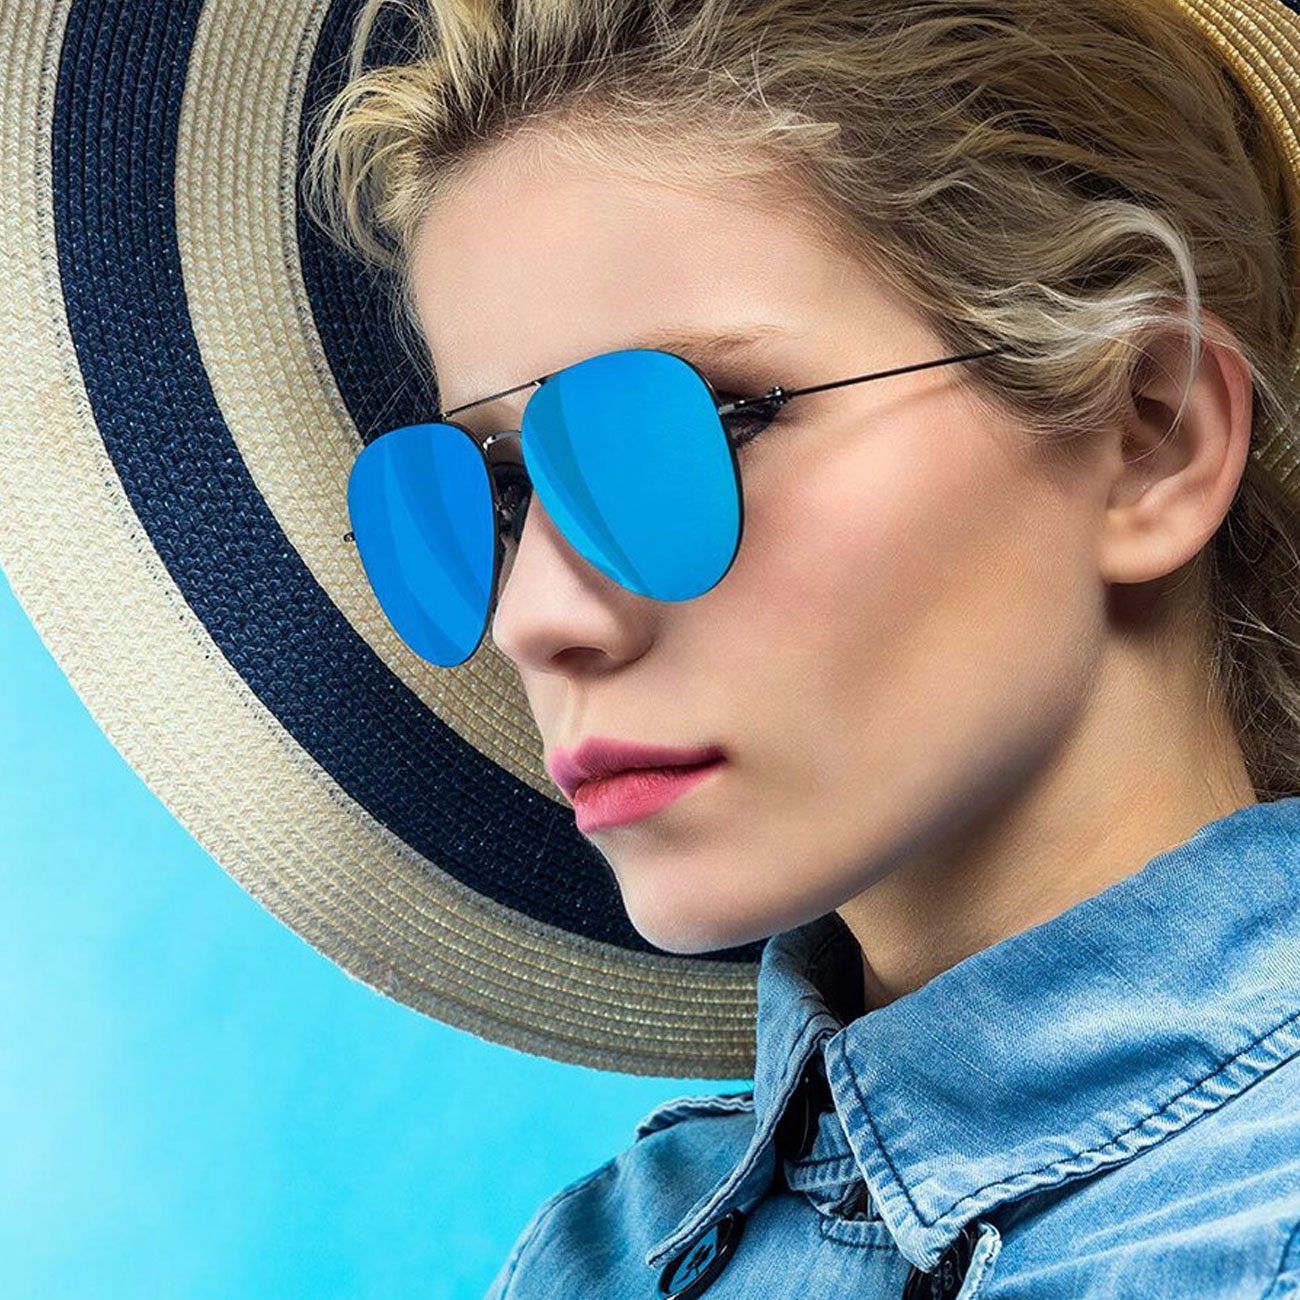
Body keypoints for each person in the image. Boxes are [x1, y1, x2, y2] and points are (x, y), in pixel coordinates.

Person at [5, 0, 1300, 1294]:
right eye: (493, 491)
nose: (534, 615)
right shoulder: (601, 1260)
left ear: (1152, 437)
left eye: (705, 423)